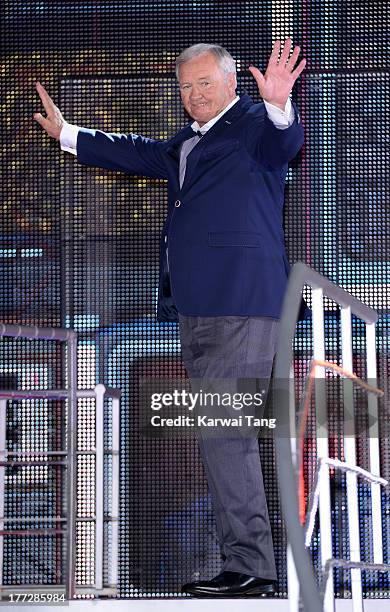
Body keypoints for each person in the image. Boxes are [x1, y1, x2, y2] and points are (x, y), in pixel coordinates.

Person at [34, 39, 306, 597]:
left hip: (242, 301)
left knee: (225, 434)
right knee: (218, 436)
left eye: (205, 83)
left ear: (233, 84)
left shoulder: (254, 124)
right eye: (185, 86)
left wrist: (279, 106)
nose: (195, 94)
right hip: (198, 306)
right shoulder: (187, 140)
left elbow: (284, 144)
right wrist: (69, 135)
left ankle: (251, 565)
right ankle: (247, 563)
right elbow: (137, 153)